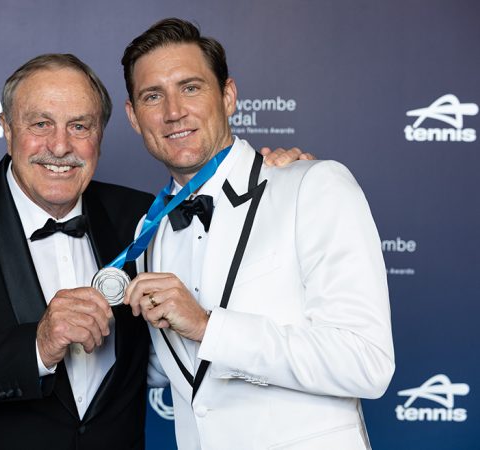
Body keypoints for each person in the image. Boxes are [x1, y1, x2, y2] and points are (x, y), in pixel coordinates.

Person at [0, 53, 307, 450]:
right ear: (6, 129)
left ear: (101, 134)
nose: (60, 146)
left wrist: (274, 177)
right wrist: (34, 348)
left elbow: (232, 223)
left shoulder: (144, 217)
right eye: (40, 124)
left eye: (80, 126)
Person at [122, 18, 395, 450]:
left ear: (228, 96)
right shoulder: (147, 231)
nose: (173, 111)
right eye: (153, 96)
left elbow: (366, 362)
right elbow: (170, 369)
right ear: (134, 117)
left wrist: (209, 327)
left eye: (190, 88)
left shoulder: (311, 185)